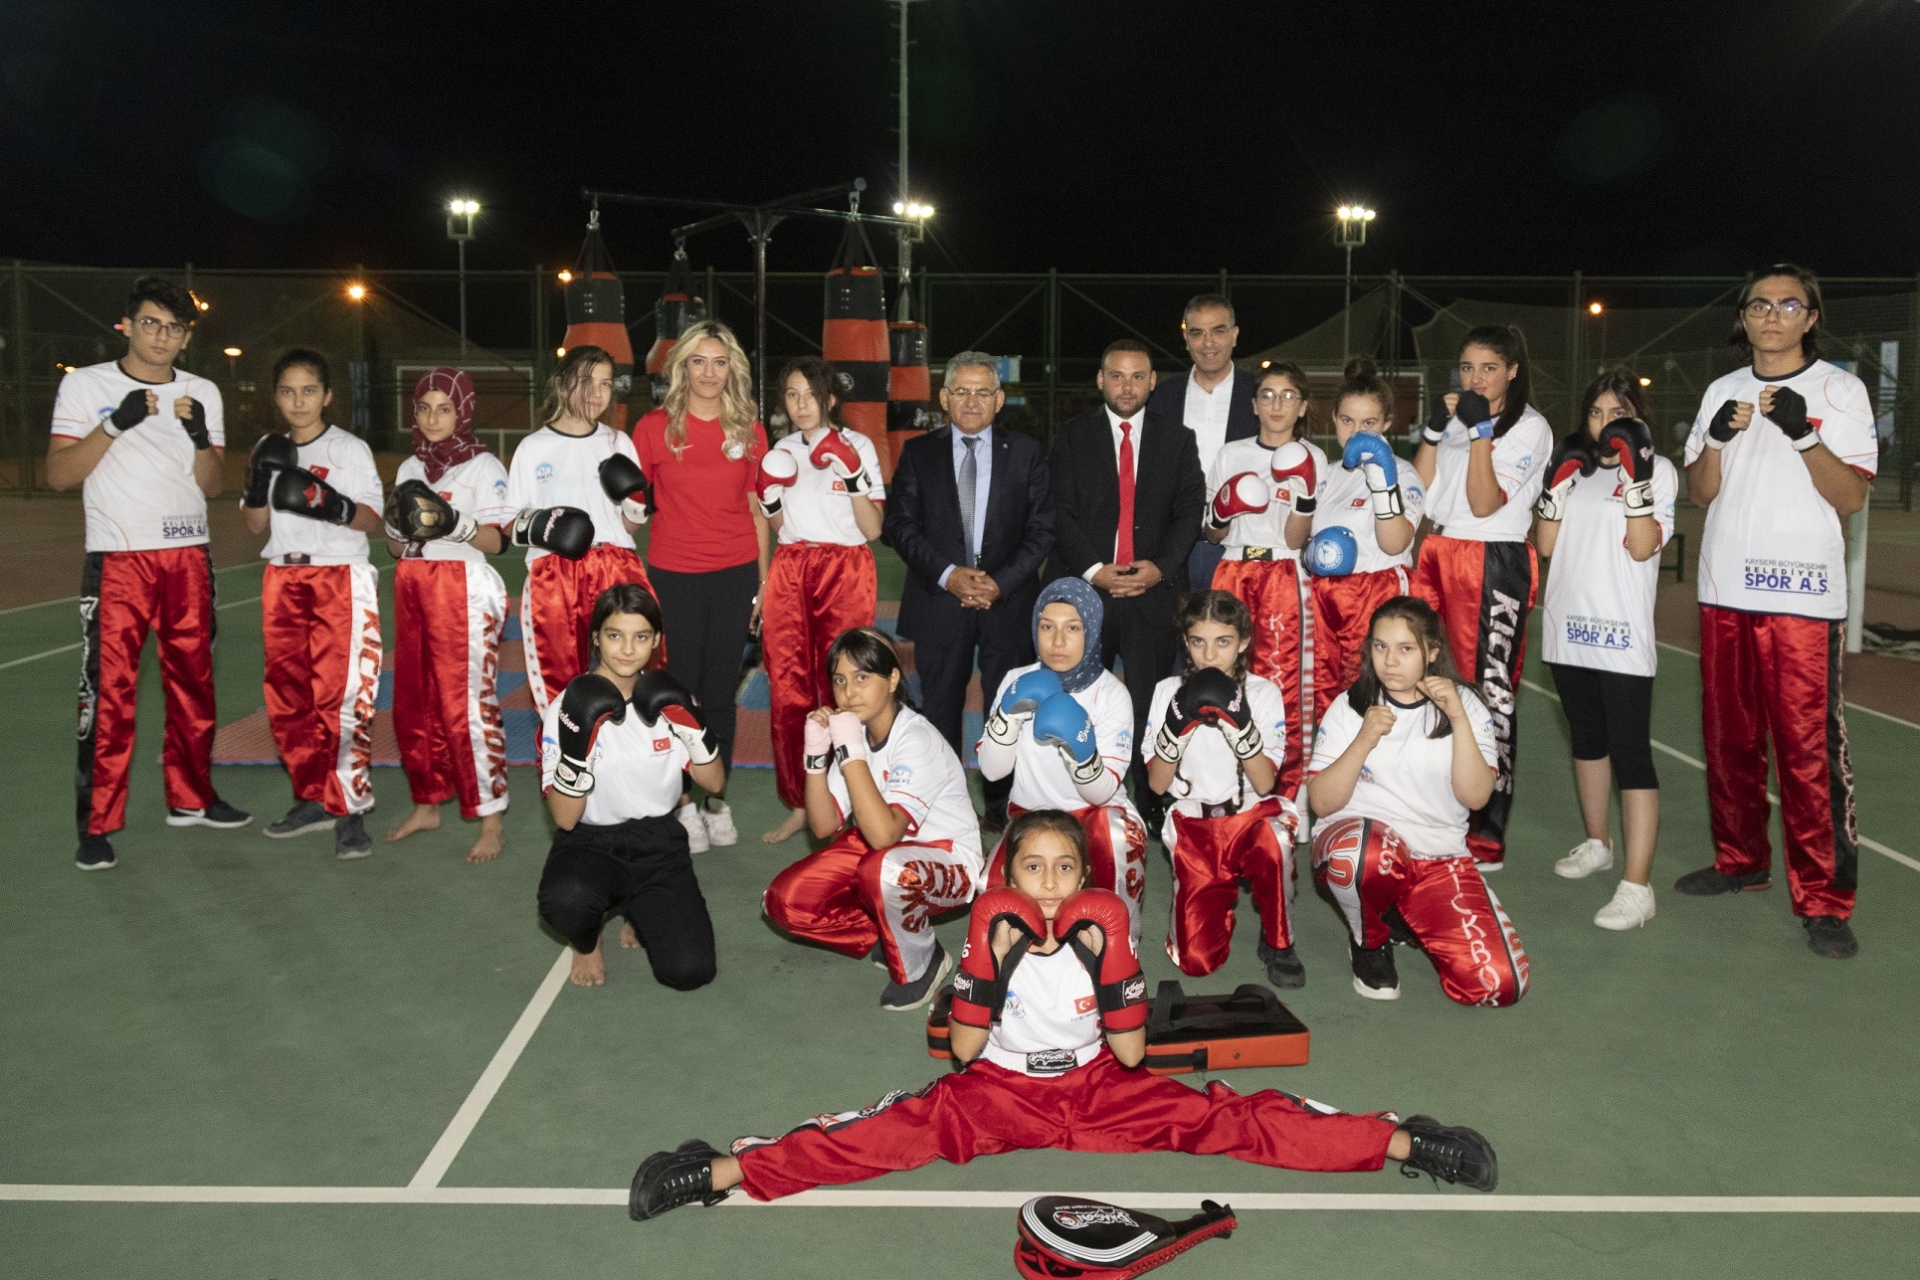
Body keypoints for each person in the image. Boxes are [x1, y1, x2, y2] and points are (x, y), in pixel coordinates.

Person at [627, 809, 1498, 1220]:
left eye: (1063, 869)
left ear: (1084, 878)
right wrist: (988, 964)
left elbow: (1131, 1054)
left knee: (1233, 1121)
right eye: (1031, 869)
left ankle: (1404, 1143)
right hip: (997, 1090)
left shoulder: (1100, 928)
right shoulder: (994, 928)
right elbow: (963, 1051)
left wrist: (1110, 959)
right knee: (882, 1135)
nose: (1047, 883)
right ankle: (717, 1172)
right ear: (1009, 876)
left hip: (1102, 1085)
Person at [1677, 264, 1877, 960]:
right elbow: (1700, 492)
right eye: (1759, 304)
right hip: (1725, 588)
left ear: (1811, 317)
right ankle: (1741, 859)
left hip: (1802, 598)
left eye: (1788, 305)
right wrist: (1716, 443)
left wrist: (1805, 435)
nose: (1772, 316)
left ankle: (1824, 899)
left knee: (1806, 750)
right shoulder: (1721, 390)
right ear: (1744, 316)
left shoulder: (1840, 390)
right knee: (1728, 739)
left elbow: (1851, 498)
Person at [48, 275, 251, 870]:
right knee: (109, 694)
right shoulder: (85, 385)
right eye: (150, 323)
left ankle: (191, 798)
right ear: (127, 326)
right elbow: (59, 475)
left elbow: (213, 485)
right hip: (119, 559)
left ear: (186, 337)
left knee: (195, 687)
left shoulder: (201, 391)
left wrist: (199, 439)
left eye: (174, 328)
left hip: (188, 555)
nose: (161, 336)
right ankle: (97, 823)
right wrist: (114, 425)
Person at [1308, 597, 1527, 1007]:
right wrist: (1363, 740)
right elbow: (1321, 802)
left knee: (1498, 984)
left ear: (1432, 651)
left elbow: (1476, 796)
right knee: (1362, 854)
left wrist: (1458, 718)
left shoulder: (1466, 705)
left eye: (1405, 648)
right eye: (1380, 646)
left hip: (1437, 859)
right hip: (1363, 847)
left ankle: (1401, 912)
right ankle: (1368, 941)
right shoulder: (1352, 704)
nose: (1390, 661)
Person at [762, 628, 982, 1011]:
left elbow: (883, 836)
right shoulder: (857, 731)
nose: (849, 692)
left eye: (862, 677)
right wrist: (815, 757)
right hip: (884, 855)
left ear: (893, 679)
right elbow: (824, 825)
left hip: (949, 861)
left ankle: (924, 962)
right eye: (840, 680)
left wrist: (849, 751)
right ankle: (890, 926)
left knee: (882, 870)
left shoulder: (917, 740)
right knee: (783, 903)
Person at [884, 350, 1055, 830]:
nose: (972, 401)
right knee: (939, 709)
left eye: (983, 392)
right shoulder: (918, 453)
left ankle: (1004, 810)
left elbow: (1042, 529)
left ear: (999, 400)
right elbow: (899, 526)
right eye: (962, 391)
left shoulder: (1026, 452)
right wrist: (948, 574)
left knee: (1010, 712)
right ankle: (944, 809)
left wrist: (1000, 582)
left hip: (1008, 603)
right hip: (939, 601)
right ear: (944, 398)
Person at [1534, 370, 1677, 930]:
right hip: (1567, 629)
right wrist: (1555, 486)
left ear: (1636, 416)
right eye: (1595, 413)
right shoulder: (1578, 468)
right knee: (1587, 740)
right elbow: (1545, 546)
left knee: (1631, 753)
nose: (1604, 423)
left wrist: (1637, 477)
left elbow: (1642, 548)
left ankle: (1638, 887)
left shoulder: (1659, 470)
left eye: (1617, 413)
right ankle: (1598, 843)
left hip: (1620, 637)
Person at [1409, 325, 1553, 872]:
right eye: (1467, 367)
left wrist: (1480, 432)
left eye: (1488, 368)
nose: (1475, 378)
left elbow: (1484, 501)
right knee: (1424, 678)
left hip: (1491, 556)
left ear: (1512, 371)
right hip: (1438, 549)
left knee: (1488, 691)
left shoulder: (1529, 427)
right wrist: (1433, 430)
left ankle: (1486, 833)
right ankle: (1435, 810)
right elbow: (1420, 493)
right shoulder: (1459, 418)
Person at [1048, 339, 1207, 833]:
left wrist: (1159, 568)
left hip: (1152, 593)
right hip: (1086, 593)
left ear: (1152, 382)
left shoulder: (1177, 439)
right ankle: (1073, 797)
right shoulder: (1071, 437)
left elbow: (1189, 512)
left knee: (1147, 702)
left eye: (1138, 376)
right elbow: (1059, 512)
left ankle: (1149, 799)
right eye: (1116, 375)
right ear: (1100, 379)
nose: (1126, 386)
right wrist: (1095, 570)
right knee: (1078, 700)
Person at [537, 585, 722, 989]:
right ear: (596, 638)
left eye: (640, 636)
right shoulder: (567, 708)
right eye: (614, 635)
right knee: (565, 901)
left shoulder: (671, 701)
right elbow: (565, 819)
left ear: (656, 641)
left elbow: (714, 783)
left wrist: (695, 731)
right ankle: (587, 942)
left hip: (658, 842)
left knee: (689, 972)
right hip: (589, 841)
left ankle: (639, 910)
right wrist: (577, 751)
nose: (626, 649)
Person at [241, 349, 387, 859]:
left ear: (326, 395)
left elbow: (373, 520)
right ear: (276, 397)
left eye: (308, 391)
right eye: (287, 391)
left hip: (338, 577)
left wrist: (329, 503)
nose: (298, 401)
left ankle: (349, 807)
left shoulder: (349, 449)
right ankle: (312, 797)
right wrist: (258, 482)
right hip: (282, 576)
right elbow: (255, 525)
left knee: (342, 697)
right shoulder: (268, 448)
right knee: (288, 699)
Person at [630, 321, 769, 853]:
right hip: (673, 574)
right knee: (679, 690)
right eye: (698, 361)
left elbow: (757, 508)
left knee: (720, 692)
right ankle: (683, 803)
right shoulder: (653, 428)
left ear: (732, 368)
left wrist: (764, 582)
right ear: (682, 367)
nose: (709, 372)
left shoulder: (750, 430)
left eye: (719, 362)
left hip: (735, 573)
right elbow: (632, 511)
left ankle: (717, 798)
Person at [382, 366, 516, 864]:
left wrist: (453, 524)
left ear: (463, 411)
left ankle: (491, 819)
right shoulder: (409, 467)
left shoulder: (483, 466)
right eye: (424, 408)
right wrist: (398, 531)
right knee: (413, 703)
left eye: (444, 408)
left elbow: (498, 541)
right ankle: (427, 803)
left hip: (464, 586)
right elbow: (395, 547)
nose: (433, 418)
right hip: (412, 582)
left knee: (467, 706)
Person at [755, 358, 886, 845]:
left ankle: (850, 801)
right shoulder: (782, 451)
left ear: (830, 398)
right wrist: (769, 497)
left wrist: (851, 473)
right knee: (789, 689)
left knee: (846, 686)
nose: (801, 404)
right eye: (792, 395)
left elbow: (873, 529)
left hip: (845, 568)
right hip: (791, 565)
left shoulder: (859, 446)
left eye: (810, 394)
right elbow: (779, 527)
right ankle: (801, 802)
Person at [1144, 590, 1304, 988]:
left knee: (1276, 843)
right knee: (1196, 961)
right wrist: (1176, 730)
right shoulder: (1166, 691)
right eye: (1198, 641)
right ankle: (1213, 906)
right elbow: (1157, 784)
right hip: (1195, 825)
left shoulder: (1263, 693)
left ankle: (1279, 940)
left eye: (1223, 642)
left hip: (1251, 815)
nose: (1210, 654)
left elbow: (1265, 782)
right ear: (1186, 642)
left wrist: (1239, 724)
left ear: (1244, 642)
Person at [976, 577, 1146, 941]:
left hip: (1096, 816)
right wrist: (1008, 718)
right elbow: (992, 771)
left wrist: (1079, 751)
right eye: (1046, 627)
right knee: (989, 892)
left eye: (1072, 628)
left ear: (1092, 631)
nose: (1056, 641)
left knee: (1120, 844)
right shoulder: (1016, 680)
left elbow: (1100, 793)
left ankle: (1122, 947)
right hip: (1030, 814)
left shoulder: (1111, 694)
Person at [508, 344, 661, 720]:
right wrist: (545, 526)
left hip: (617, 564)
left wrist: (636, 504)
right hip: (554, 571)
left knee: (632, 673)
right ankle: (565, 756)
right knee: (559, 687)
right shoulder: (532, 448)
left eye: (606, 383)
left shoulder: (618, 442)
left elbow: (630, 524)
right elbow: (510, 524)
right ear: (563, 384)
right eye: (586, 381)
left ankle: (629, 755)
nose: (597, 393)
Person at [1203, 358, 1326, 805]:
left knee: (1282, 683)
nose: (1277, 404)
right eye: (1268, 395)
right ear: (1254, 404)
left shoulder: (1313, 458)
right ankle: (1223, 790)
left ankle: (1285, 797)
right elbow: (1212, 534)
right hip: (1234, 566)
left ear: (1302, 406)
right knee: (1220, 674)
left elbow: (1296, 539)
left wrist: (1304, 494)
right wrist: (1223, 510)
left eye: (1288, 395)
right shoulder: (1231, 454)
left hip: (1284, 573)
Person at [1300, 355, 1424, 720]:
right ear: (1334, 419)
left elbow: (1394, 544)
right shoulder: (1325, 473)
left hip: (1378, 595)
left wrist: (1382, 480)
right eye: (1347, 420)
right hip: (1324, 601)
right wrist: (1310, 554)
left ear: (1387, 423)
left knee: (1376, 700)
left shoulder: (1403, 472)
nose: (1357, 432)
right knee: (1327, 705)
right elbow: (1301, 540)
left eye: (1369, 423)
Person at [1147, 294, 1265, 593]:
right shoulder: (1161, 398)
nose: (1208, 343)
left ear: (1234, 335)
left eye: (1218, 331)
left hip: (1239, 547)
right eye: (1197, 332)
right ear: (1186, 339)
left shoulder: (1261, 395)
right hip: (1172, 550)